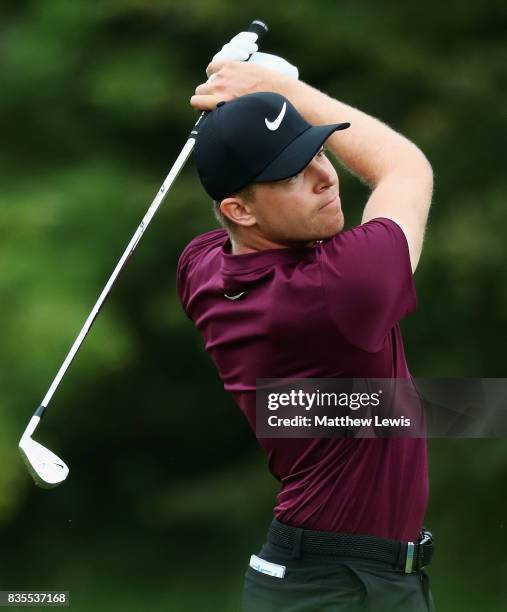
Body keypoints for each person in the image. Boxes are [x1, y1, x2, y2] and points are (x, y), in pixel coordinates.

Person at [177, 32, 435, 612]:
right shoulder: (340, 286)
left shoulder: (202, 266)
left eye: (318, 152)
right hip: (339, 586)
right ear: (238, 210)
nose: (326, 176)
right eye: (294, 173)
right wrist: (284, 89)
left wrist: (249, 111)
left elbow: (237, 224)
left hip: (330, 575)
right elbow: (405, 168)